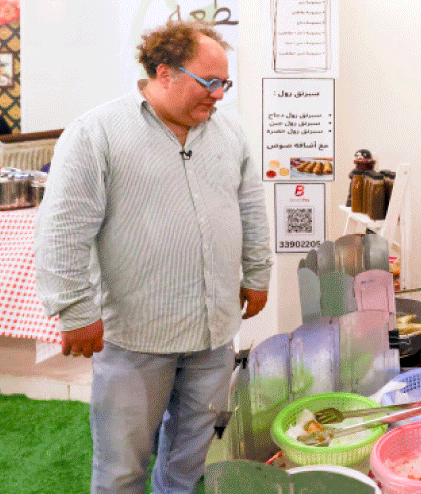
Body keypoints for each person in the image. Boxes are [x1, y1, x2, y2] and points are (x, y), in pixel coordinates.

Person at [34, 21, 272, 494]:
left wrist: (258, 272)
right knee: (122, 469)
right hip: (136, 338)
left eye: (225, 83)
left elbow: (250, 209)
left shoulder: (228, 135)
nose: (219, 95)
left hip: (214, 331)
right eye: (210, 83)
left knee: (192, 461)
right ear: (164, 73)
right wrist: (75, 310)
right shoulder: (95, 133)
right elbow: (62, 229)